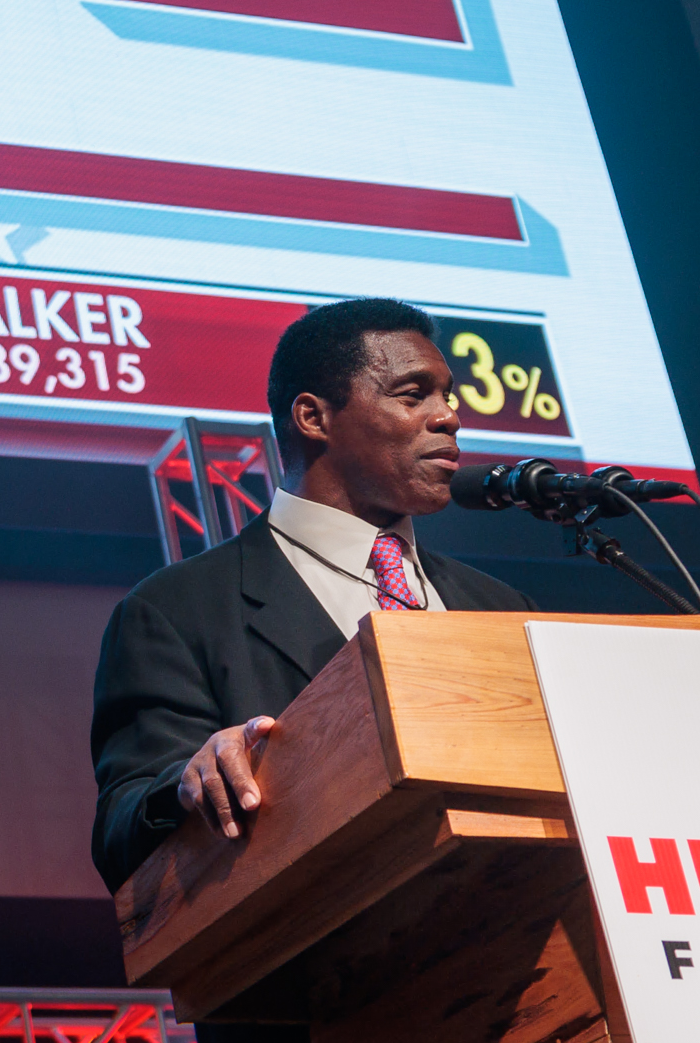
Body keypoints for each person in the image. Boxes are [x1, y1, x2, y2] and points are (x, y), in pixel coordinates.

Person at [90, 297, 536, 890]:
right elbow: (122, 830)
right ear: (313, 417)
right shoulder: (175, 611)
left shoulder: (502, 608)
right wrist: (188, 781)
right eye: (413, 395)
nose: (449, 417)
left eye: (448, 396)